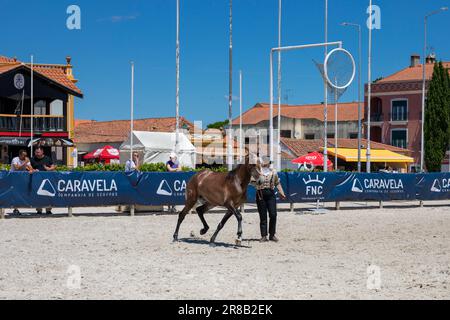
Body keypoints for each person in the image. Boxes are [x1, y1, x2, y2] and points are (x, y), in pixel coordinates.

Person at [253, 157, 286, 243]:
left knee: (273, 214)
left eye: (268, 163)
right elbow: (251, 181)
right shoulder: (257, 172)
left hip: (271, 194)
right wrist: (257, 181)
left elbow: (277, 183)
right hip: (260, 194)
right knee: (263, 216)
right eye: (265, 163)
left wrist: (281, 192)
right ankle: (264, 236)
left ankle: (272, 235)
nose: (266, 164)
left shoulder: (273, 172)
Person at [30, 147, 56, 215]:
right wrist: (33, 170)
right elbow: (29, 167)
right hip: (37, 180)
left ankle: (48, 210)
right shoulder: (32, 159)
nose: (37, 154)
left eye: (38, 152)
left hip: (47, 180)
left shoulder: (47, 158)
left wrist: (49, 169)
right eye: (36, 152)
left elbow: (53, 166)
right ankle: (39, 210)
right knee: (38, 195)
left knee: (48, 195)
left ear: (42, 152)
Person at [10, 150, 33, 216]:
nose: (25, 156)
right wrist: (25, 162)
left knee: (21, 193)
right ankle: (15, 209)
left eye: (26, 155)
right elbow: (16, 168)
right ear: (20, 155)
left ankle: (17, 208)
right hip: (13, 178)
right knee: (15, 193)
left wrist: (31, 170)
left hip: (21, 178)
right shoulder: (15, 159)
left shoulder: (26, 159)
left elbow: (30, 168)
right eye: (24, 155)